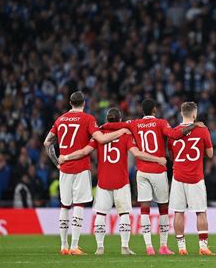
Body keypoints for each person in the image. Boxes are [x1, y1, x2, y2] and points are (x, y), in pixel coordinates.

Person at [100, 98, 203, 255]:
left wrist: (101, 127)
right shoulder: (161, 123)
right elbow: (175, 134)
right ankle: (163, 246)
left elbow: (116, 125)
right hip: (158, 171)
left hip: (141, 171)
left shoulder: (134, 123)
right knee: (162, 209)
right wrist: (194, 125)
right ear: (154, 110)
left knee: (145, 209)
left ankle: (149, 247)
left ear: (142, 111)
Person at [59, 108, 167, 255]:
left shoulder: (98, 136)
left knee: (100, 215)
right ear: (120, 120)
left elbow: (84, 152)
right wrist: (157, 159)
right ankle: (124, 247)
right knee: (123, 214)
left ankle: (100, 248)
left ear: (107, 119)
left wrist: (66, 157)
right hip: (121, 180)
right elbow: (137, 154)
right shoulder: (125, 135)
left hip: (103, 181)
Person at [43, 91, 129, 255]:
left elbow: (47, 142)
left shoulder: (60, 120)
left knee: (65, 206)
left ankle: (63, 246)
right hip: (81, 167)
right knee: (79, 205)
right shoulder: (88, 119)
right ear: (84, 103)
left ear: (70, 103)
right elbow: (102, 139)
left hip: (65, 169)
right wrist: (121, 131)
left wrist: (57, 163)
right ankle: (74, 246)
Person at [167, 102, 214, 255]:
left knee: (178, 212)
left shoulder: (174, 131)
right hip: (195, 177)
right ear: (194, 114)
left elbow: (171, 155)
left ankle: (181, 248)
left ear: (182, 114)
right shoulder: (202, 130)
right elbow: (210, 154)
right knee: (201, 212)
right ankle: (203, 247)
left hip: (178, 176)